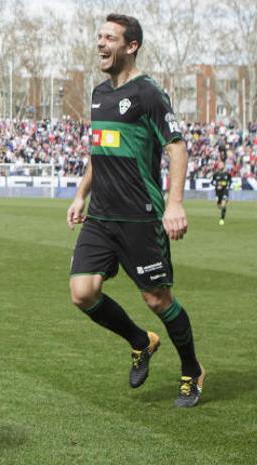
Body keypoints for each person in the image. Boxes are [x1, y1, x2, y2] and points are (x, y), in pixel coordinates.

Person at [66, 14, 204, 407]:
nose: (101, 44)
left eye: (110, 38)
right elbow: (100, 150)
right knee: (82, 292)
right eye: (99, 36)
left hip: (141, 216)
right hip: (101, 217)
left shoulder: (148, 94)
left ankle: (192, 370)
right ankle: (141, 341)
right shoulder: (98, 94)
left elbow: (177, 146)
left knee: (157, 300)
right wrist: (81, 195)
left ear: (131, 46)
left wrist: (174, 203)